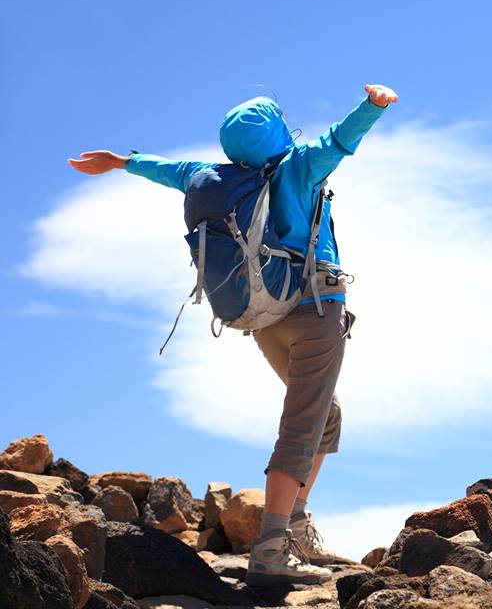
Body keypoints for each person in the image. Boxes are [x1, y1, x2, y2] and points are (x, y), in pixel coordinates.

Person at [67, 83, 398, 585]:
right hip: (315, 311)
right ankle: (269, 552)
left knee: (324, 414)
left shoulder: (209, 178)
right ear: (278, 133)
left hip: (263, 320)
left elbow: (168, 169)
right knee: (303, 427)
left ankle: (296, 527)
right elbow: (338, 140)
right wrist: (373, 105)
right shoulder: (297, 167)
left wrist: (120, 161)